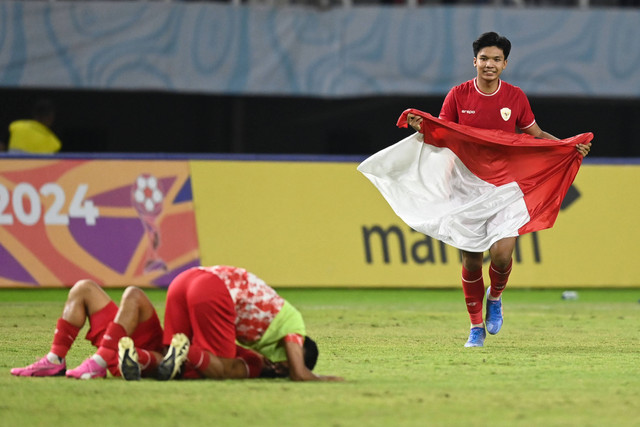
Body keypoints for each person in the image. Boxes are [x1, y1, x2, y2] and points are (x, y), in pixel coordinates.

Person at [406, 32, 591, 348]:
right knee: (472, 261)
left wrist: (566, 147)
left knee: (502, 257)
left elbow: (535, 134)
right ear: (474, 61)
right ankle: (475, 328)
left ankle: (496, 296)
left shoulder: (515, 97)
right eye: (484, 59)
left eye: (496, 59)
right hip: (464, 187)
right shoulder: (458, 96)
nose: (489, 64)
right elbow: (441, 134)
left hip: (504, 187)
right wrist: (422, 127)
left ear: (505, 64)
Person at [156, 265, 343, 382]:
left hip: (186, 279)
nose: (276, 368)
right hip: (214, 289)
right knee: (222, 370)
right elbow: (299, 374)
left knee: (173, 365)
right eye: (284, 363)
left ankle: (135, 356)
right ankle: (187, 348)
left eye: (281, 372)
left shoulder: (274, 326)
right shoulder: (295, 325)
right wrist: (328, 379)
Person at [10, 279, 165, 380]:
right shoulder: (185, 285)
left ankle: (103, 360)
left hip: (151, 356)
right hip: (116, 342)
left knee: (134, 293)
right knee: (84, 288)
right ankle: (54, 359)